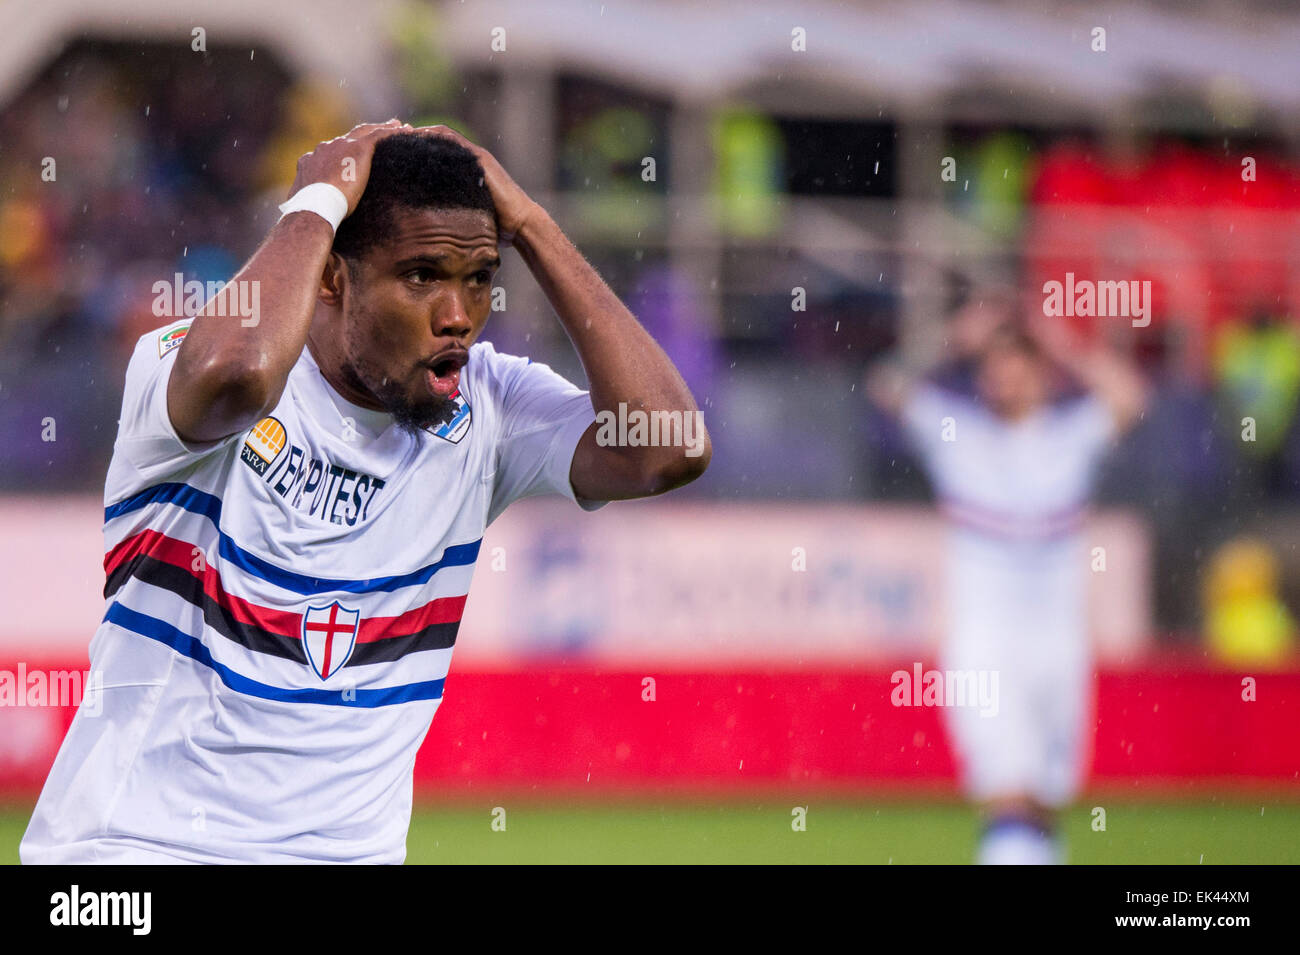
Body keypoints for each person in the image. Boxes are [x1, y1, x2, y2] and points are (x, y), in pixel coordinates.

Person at [21, 121, 710, 863]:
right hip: (131, 859)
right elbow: (239, 372)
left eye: (479, 278)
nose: (458, 315)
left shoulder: (489, 407)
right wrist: (315, 204)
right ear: (332, 277)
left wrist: (535, 225)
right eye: (422, 276)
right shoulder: (189, 362)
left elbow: (668, 445)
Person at [868, 295, 1144, 864]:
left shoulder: (1069, 438)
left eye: (1017, 370)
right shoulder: (958, 435)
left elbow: (1130, 397)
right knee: (1007, 795)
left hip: (1058, 646)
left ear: (1041, 376)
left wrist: (1062, 340)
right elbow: (885, 384)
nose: (1004, 383)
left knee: (1044, 803)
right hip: (984, 647)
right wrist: (950, 341)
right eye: (993, 372)